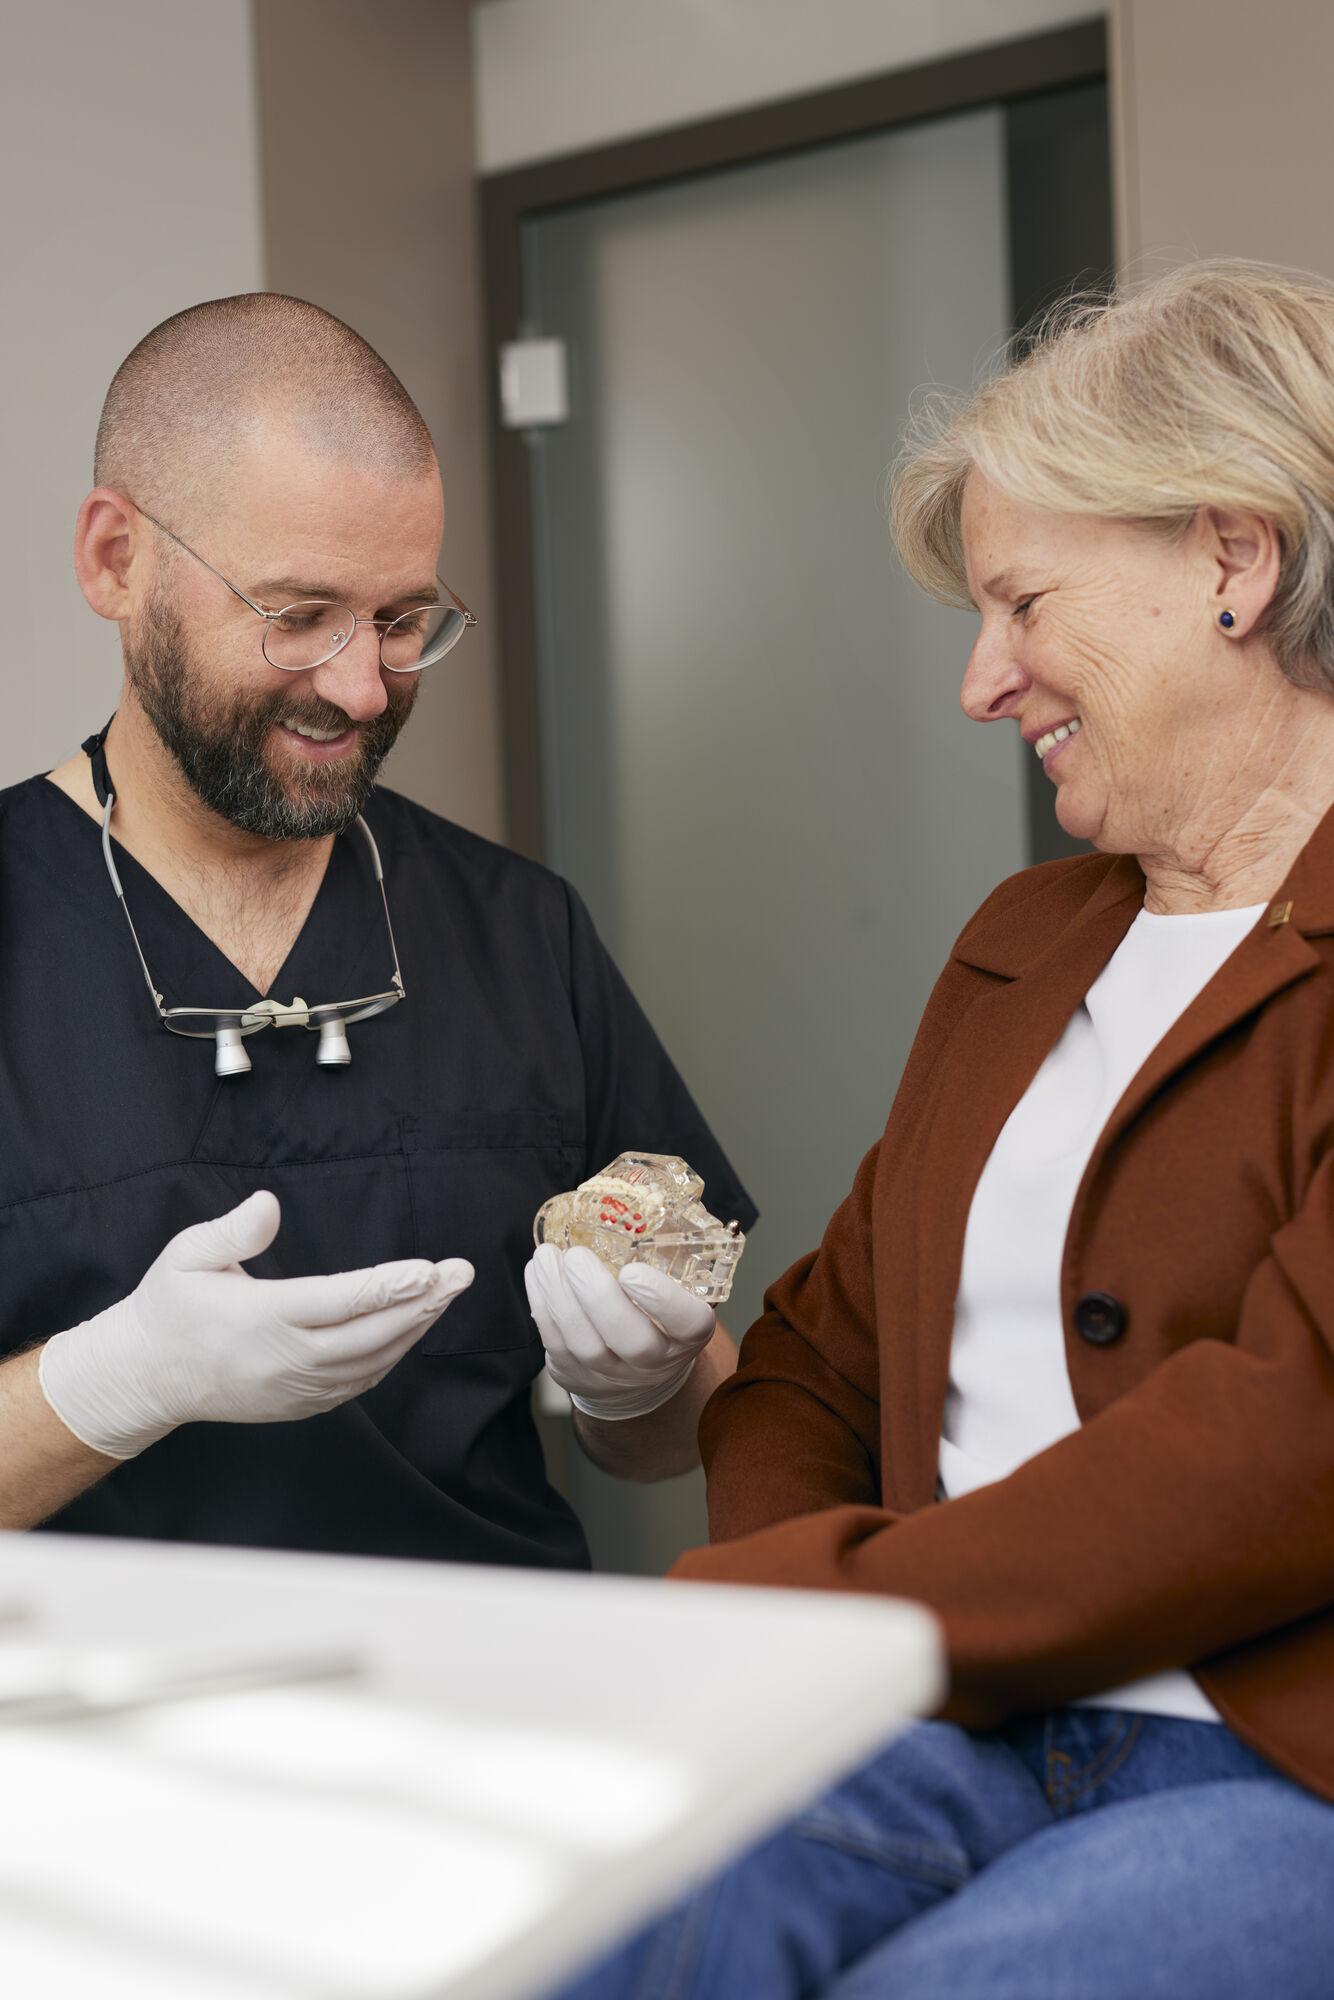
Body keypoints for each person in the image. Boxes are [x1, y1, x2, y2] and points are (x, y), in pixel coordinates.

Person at [560, 263, 1334, 1998]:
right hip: (936, 1722)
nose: (981, 683)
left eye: (1020, 603)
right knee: (573, 1929)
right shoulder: (1021, 946)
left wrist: (813, 1612)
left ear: (1231, 559)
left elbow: (1288, 1440)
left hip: (1277, 1764)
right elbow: (807, 1370)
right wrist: (792, 1656)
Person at [0, 293, 754, 1561]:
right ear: (116, 560)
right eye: (297, 614)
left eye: (402, 621)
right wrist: (111, 1380)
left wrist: (640, 1381)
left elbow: (669, 1437)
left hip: (491, 1660)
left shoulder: (518, 932)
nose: (360, 687)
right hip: (104, 1681)